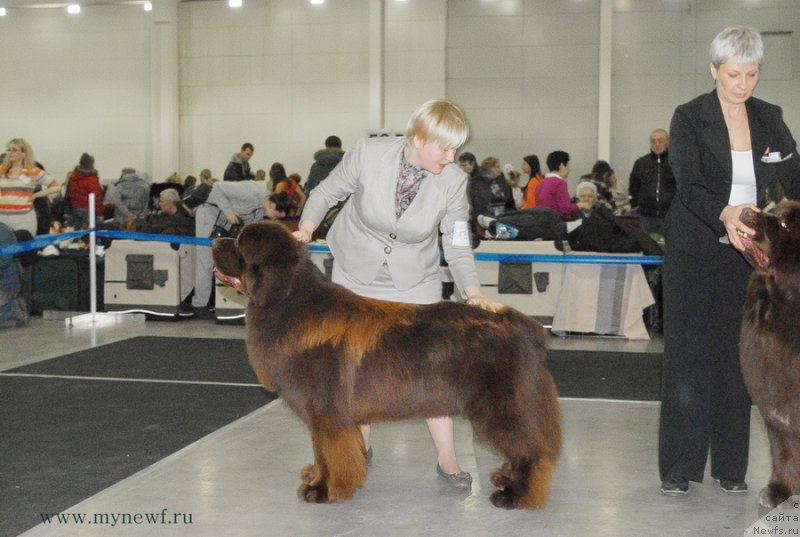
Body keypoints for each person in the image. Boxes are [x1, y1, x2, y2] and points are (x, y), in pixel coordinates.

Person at [294, 99, 502, 489]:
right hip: (355, 273)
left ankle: (448, 462)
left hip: (415, 282)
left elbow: (456, 242)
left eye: (457, 148)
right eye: (445, 148)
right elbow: (325, 193)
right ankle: (357, 450)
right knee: (353, 371)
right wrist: (307, 228)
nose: (452, 157)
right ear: (419, 139)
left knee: (430, 372)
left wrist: (472, 293)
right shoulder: (368, 154)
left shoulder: (454, 181)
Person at [658, 26, 800, 497]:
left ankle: (731, 470)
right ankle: (679, 468)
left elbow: (793, 175)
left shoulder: (770, 117)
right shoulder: (688, 118)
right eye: (733, 74)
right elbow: (690, 182)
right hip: (695, 249)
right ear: (714, 71)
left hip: (748, 258)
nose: (742, 84)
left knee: (739, 361)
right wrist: (726, 212)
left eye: (752, 74)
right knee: (687, 356)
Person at [187, 180, 291, 319]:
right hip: (210, 213)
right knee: (205, 261)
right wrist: (228, 211)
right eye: (276, 215)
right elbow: (217, 187)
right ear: (272, 205)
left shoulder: (261, 209)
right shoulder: (252, 191)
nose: (274, 218)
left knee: (222, 262)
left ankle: (210, 301)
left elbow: (250, 225)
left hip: (224, 220)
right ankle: (199, 305)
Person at [0, 138, 60, 236]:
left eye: (15, 150)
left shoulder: (33, 171)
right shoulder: (2, 169)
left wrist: (36, 195)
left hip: (24, 220)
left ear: (24, 154)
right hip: (2, 219)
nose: (10, 153)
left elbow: (56, 186)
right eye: (9, 150)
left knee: (23, 250)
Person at [629, 129, 676, 236]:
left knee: (670, 248)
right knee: (647, 246)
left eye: (660, 141)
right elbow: (634, 187)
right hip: (646, 216)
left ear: (667, 142)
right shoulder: (640, 163)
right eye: (653, 141)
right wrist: (635, 204)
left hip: (670, 215)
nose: (657, 144)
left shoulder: (676, 162)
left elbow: (683, 187)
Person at [536, 150, 584, 220]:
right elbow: (565, 209)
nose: (569, 169)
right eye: (568, 166)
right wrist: (581, 205)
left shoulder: (542, 182)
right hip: (556, 223)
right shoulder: (560, 183)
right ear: (561, 166)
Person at [64, 152, 104, 230]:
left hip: (75, 208)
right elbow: (97, 198)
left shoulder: (73, 176)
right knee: (91, 233)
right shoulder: (92, 179)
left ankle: (78, 241)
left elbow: (69, 193)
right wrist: (100, 214)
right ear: (91, 164)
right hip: (88, 209)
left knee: (77, 232)